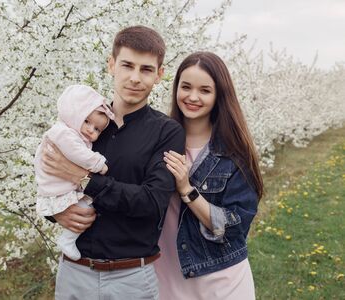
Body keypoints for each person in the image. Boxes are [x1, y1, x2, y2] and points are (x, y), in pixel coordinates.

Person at [41, 26, 185, 299]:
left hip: (131, 278)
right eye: (127, 65)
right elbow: (48, 172)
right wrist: (54, 213)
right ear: (111, 65)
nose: (134, 78)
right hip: (73, 272)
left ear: (159, 75)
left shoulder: (168, 132)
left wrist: (86, 180)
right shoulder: (81, 122)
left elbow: (152, 202)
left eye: (146, 69)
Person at [155, 51, 264, 299]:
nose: (192, 97)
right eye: (186, 87)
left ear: (218, 96)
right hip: (164, 277)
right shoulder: (158, 140)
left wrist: (186, 189)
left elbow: (235, 227)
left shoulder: (234, 152)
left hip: (220, 281)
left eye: (205, 90)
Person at [34, 84, 114, 260]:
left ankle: (68, 239)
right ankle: (67, 240)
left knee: (88, 204)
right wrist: (99, 163)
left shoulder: (71, 134)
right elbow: (78, 154)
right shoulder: (64, 133)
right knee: (87, 207)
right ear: (75, 114)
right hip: (57, 187)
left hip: (59, 185)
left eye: (97, 129)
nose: (90, 130)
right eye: (86, 121)